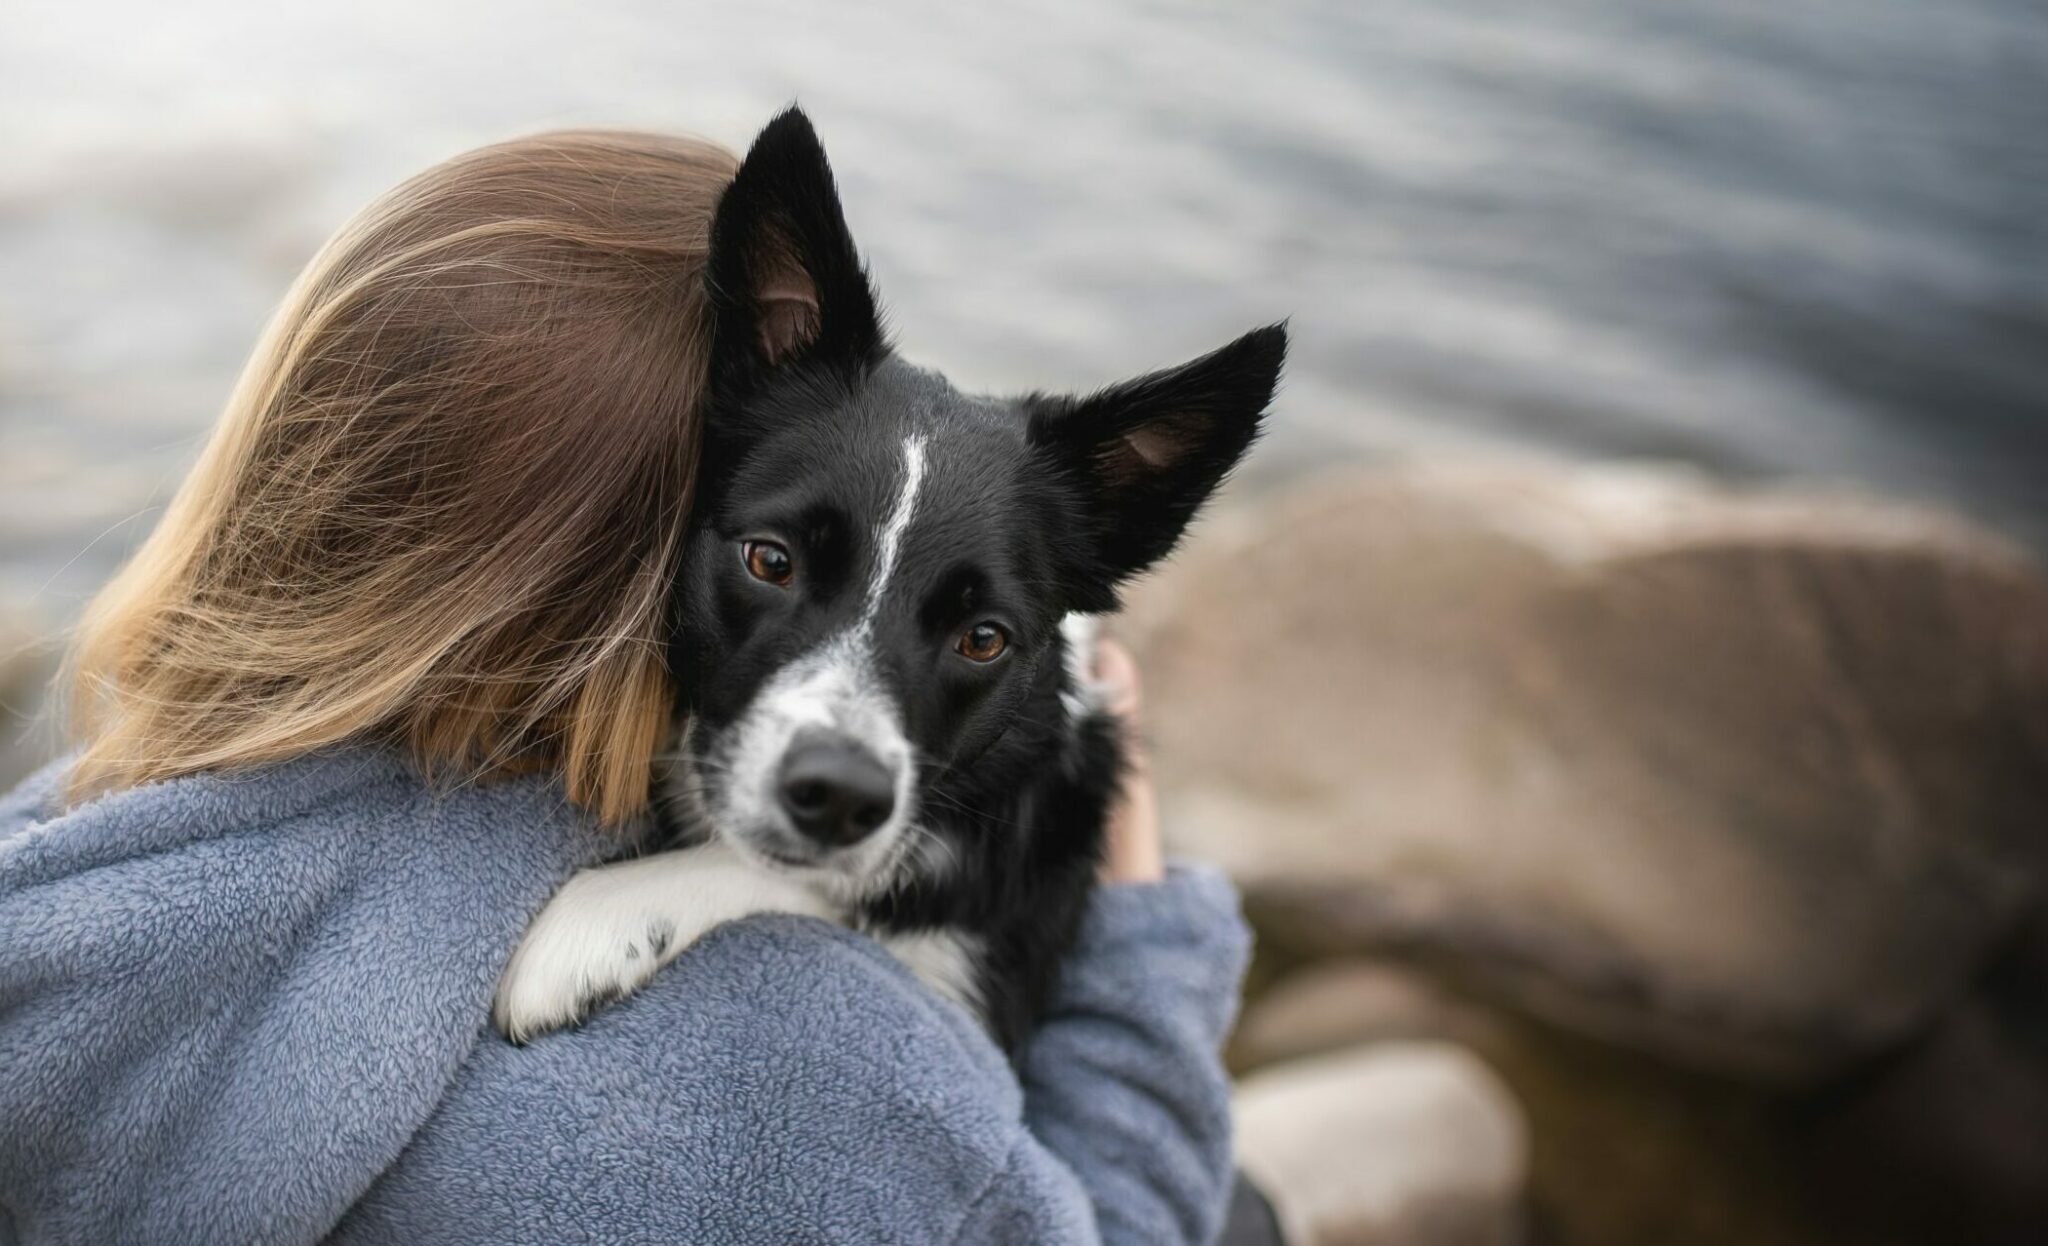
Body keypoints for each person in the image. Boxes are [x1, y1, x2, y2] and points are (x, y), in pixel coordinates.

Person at [0, 129, 1289, 1244]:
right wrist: (1145, 935)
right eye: (771, 560)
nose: (844, 727)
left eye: (978, 640)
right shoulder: (837, 1093)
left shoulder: (85, 838)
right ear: (637, 549)